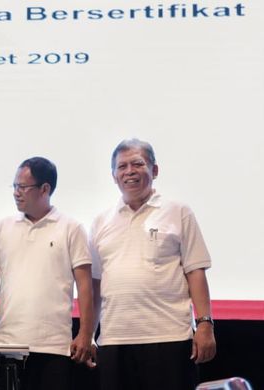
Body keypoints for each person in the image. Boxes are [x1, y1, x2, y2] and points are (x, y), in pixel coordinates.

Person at [89, 139, 216, 389]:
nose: (129, 172)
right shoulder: (100, 222)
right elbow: (95, 285)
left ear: (154, 170)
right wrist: (89, 335)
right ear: (114, 176)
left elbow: (195, 271)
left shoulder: (178, 212)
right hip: (114, 340)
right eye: (122, 166)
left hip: (169, 338)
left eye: (138, 164)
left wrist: (205, 324)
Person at [0, 157, 94, 390]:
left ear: (45, 189)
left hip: (54, 346)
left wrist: (86, 334)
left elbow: (85, 284)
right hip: (8, 344)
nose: (16, 193)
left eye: (23, 187)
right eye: (15, 186)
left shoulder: (71, 227)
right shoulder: (2, 227)